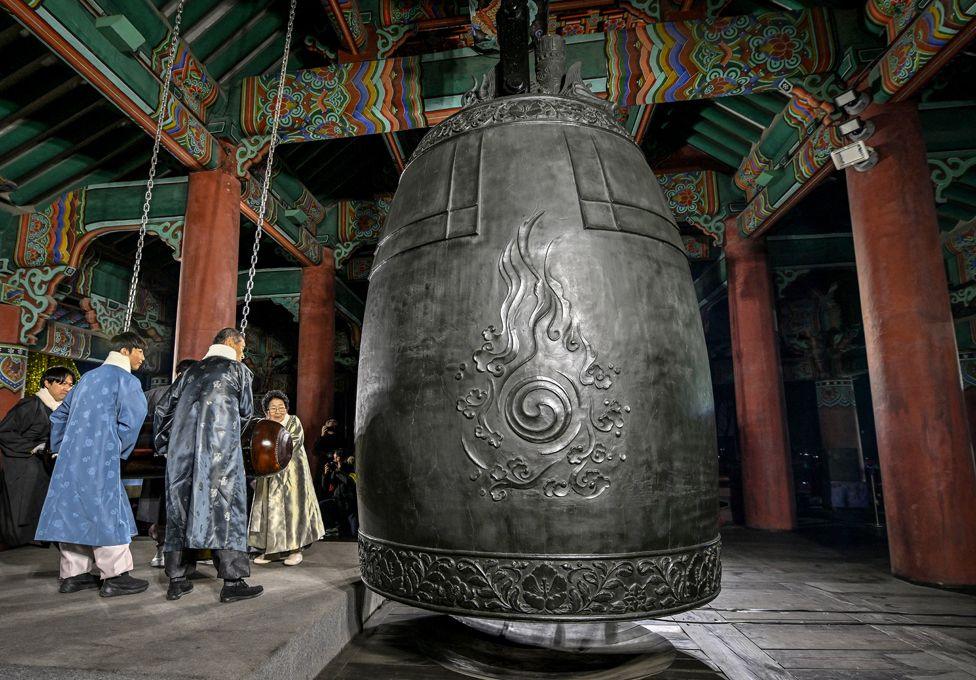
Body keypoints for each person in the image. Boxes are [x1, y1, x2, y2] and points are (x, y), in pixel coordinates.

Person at [34, 333, 150, 597]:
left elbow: (59, 415)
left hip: (70, 458)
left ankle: (74, 576)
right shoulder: (126, 380)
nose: (142, 358)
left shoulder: (87, 379)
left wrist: (62, 448)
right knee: (108, 512)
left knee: (73, 510)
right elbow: (133, 420)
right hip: (102, 457)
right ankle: (116, 576)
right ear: (125, 350)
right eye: (140, 351)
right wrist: (116, 449)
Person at [155, 328, 262, 603]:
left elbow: (163, 410)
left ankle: (177, 580)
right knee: (225, 509)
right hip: (219, 452)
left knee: (181, 509)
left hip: (182, 453)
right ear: (232, 344)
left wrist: (165, 446)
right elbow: (246, 414)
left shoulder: (189, 372)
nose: (243, 352)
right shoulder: (239, 371)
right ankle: (232, 581)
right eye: (243, 347)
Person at [0, 367, 75, 548]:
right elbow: (5, 432)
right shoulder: (31, 404)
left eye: (71, 385)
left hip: (46, 463)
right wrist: (34, 447)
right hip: (24, 463)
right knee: (22, 504)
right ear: (47, 383)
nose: (67, 388)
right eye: (62, 383)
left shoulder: (63, 410)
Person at [249, 390, 324, 566]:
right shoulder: (262, 424)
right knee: (271, 512)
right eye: (273, 408)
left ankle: (295, 551)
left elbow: (292, 443)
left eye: (281, 407)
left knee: (293, 512)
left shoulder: (293, 421)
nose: (277, 411)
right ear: (267, 410)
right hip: (269, 476)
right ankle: (272, 552)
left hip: (292, 476)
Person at [136, 358, 195, 567]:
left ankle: (166, 551)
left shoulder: (156, 394)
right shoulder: (163, 394)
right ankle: (163, 550)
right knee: (166, 507)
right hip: (166, 459)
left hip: (158, 459)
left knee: (166, 506)